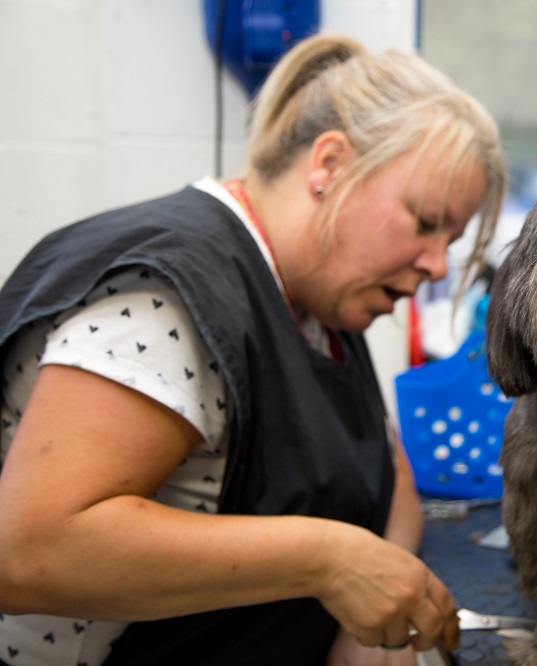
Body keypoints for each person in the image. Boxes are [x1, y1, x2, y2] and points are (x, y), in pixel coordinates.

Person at [0, 33, 506, 665]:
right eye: (426, 222)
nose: (436, 265)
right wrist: (332, 562)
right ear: (328, 166)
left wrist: (378, 601)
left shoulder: (319, 302)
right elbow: (34, 549)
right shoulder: (171, 295)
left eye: (451, 239)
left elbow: (387, 469)